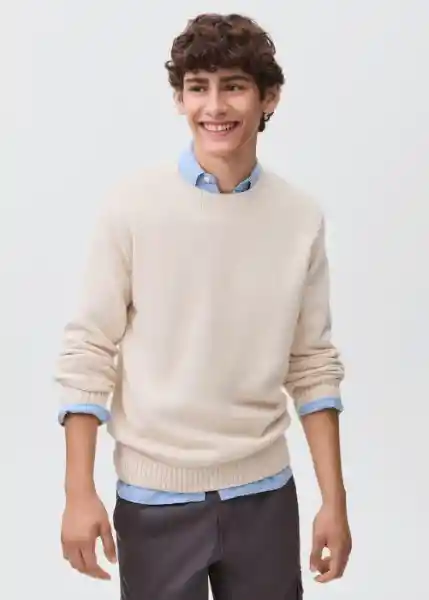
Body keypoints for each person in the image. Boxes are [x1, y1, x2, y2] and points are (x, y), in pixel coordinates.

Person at [55, 12, 352, 600]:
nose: (214, 106)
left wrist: (334, 502)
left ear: (269, 97)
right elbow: (88, 351)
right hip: (154, 503)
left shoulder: (299, 218)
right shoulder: (131, 207)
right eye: (198, 87)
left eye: (234, 86)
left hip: (265, 497)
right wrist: (77, 492)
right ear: (180, 99)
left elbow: (312, 364)